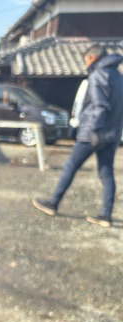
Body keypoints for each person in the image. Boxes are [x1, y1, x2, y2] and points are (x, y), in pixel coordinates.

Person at [33, 45, 123, 228]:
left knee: (71, 166)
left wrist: (94, 130)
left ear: (92, 57)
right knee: (106, 173)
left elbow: (99, 106)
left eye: (86, 60)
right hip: (112, 134)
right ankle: (105, 216)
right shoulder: (119, 77)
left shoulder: (98, 75)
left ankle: (53, 203)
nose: (85, 63)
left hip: (93, 132)